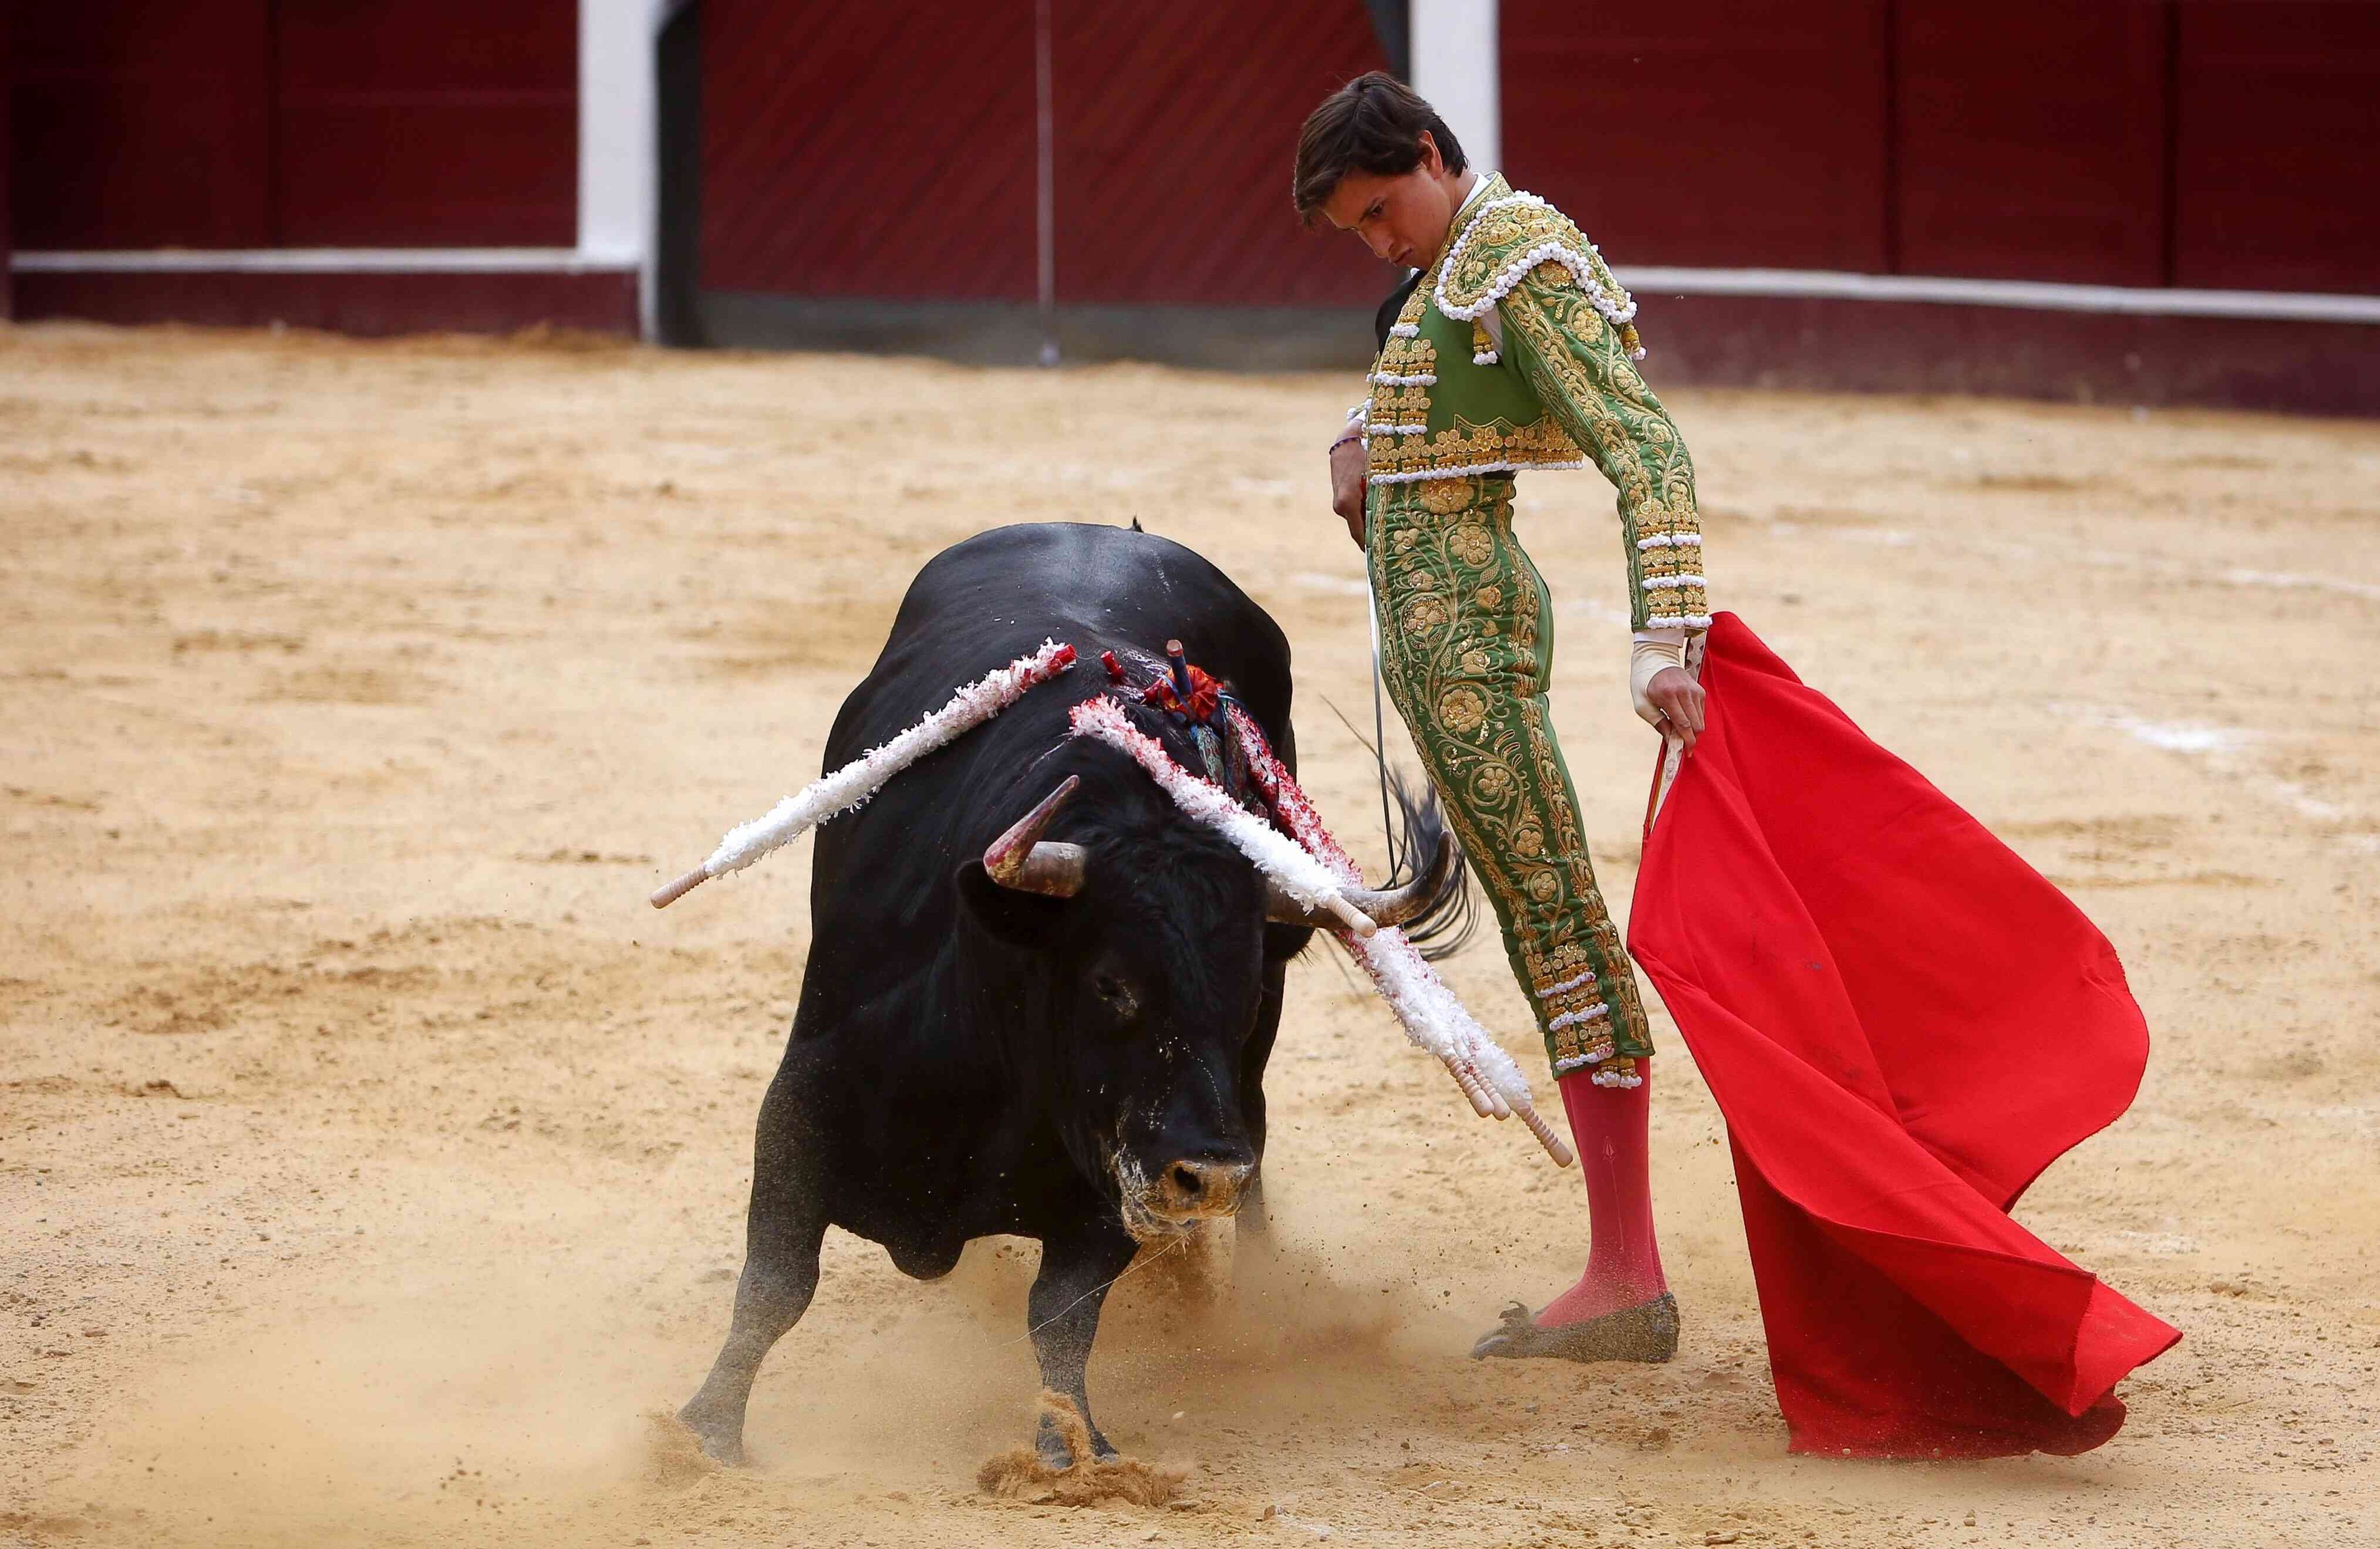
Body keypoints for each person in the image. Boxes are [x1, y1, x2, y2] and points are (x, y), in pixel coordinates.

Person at [1293, 73, 1708, 1363]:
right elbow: (1445, 417)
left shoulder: (1511, 255)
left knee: (1557, 922)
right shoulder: (1450, 271)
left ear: (1428, 151)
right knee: (1543, 920)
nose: (1376, 241)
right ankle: (1617, 1267)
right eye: (1354, 230)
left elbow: (1644, 446)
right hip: (1445, 650)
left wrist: (1662, 642)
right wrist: (1360, 442)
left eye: (1378, 209)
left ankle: (1628, 1275)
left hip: (1472, 648)